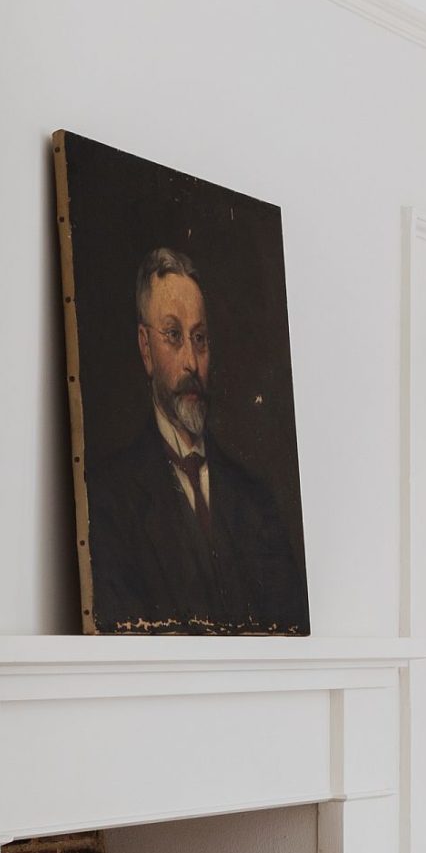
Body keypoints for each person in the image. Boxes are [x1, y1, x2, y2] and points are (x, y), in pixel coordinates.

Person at [85, 245, 309, 634]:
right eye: (173, 335)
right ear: (145, 348)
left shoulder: (256, 501)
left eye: (200, 338)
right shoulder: (109, 501)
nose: (191, 360)